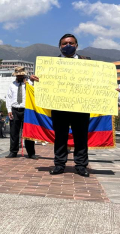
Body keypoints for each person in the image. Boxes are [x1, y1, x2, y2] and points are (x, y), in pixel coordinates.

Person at [30, 33, 91, 177]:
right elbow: (44, 83)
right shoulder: (50, 65)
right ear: (60, 46)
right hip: (59, 106)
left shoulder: (87, 62)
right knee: (60, 137)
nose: (68, 46)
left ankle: (81, 165)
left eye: (71, 43)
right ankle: (59, 164)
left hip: (80, 106)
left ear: (76, 45)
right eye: (64, 43)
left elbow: (97, 82)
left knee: (81, 137)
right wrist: (35, 79)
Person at [5, 66, 36, 159]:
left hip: (26, 110)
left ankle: (31, 152)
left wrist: (29, 82)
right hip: (15, 109)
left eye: (21, 75)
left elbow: (35, 91)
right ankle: (13, 151)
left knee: (28, 131)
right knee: (14, 132)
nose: (19, 77)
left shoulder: (29, 84)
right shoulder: (12, 85)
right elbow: (9, 98)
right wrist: (9, 110)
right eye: (17, 75)